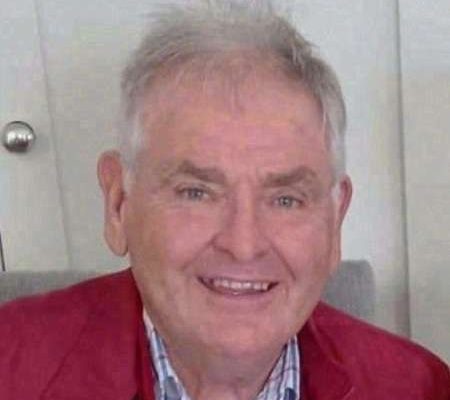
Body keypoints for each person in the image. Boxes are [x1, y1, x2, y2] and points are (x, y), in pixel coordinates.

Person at [0, 1, 448, 399]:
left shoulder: (418, 387)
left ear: (335, 221)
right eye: (196, 193)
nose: (243, 244)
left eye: (286, 200)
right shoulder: (10, 367)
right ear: (118, 204)